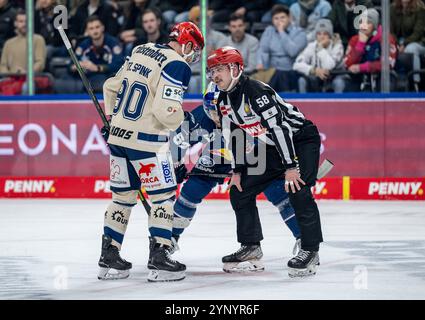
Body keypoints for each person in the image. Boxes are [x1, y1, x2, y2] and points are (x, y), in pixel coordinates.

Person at [98, 21, 204, 282]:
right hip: (147, 142)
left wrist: (112, 120)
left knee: (122, 198)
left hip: (118, 138)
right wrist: (183, 120)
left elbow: (111, 86)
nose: (193, 55)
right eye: (195, 49)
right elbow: (165, 111)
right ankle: (160, 257)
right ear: (187, 43)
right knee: (163, 198)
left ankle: (109, 258)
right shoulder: (176, 64)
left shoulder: (141, 50)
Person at [207, 46, 323, 277]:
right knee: (240, 190)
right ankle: (251, 246)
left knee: (298, 189)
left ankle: (310, 250)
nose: (214, 75)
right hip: (273, 145)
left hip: (300, 139)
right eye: (212, 70)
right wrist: (237, 170)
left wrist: (290, 167)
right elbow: (233, 133)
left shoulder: (256, 92)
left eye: (220, 69)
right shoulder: (223, 98)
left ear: (235, 68)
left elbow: (281, 129)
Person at [169, 87, 301, 272]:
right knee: (191, 191)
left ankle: (304, 240)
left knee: (277, 191)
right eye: (211, 111)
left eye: (219, 111)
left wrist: (288, 164)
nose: (216, 117)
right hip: (217, 155)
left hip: (252, 156)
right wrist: (177, 164)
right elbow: (179, 139)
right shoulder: (201, 116)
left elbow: (278, 134)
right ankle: (169, 240)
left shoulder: (248, 110)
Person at [344, 8, 397, 92]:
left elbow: (388, 63)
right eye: (361, 22)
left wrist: (362, 67)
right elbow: (347, 63)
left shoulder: (386, 38)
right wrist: (360, 45)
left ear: (375, 26)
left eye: (368, 23)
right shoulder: (354, 40)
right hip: (358, 77)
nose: (363, 26)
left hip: (381, 76)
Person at [257, 4, 307, 92]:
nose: (279, 21)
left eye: (282, 17)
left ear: (289, 18)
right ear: (272, 20)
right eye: (276, 18)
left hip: (292, 71)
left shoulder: (300, 33)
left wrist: (281, 32)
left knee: (280, 74)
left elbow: (292, 52)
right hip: (271, 71)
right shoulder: (269, 31)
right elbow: (262, 50)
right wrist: (261, 63)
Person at [293, 19, 346, 92]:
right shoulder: (312, 46)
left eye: (325, 34)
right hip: (316, 78)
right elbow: (296, 65)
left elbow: (329, 66)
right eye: (319, 34)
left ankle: (339, 103)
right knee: (302, 81)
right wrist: (314, 70)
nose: (322, 37)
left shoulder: (337, 46)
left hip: (335, 77)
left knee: (339, 83)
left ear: (330, 35)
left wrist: (320, 48)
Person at [390, 0, 425, 91]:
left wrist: (404, 44)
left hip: (419, 42)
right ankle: (391, 83)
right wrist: (396, 44)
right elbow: (390, 30)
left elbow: (418, 32)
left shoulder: (420, 8)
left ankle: (415, 82)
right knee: (387, 47)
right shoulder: (393, 8)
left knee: (411, 49)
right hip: (398, 42)